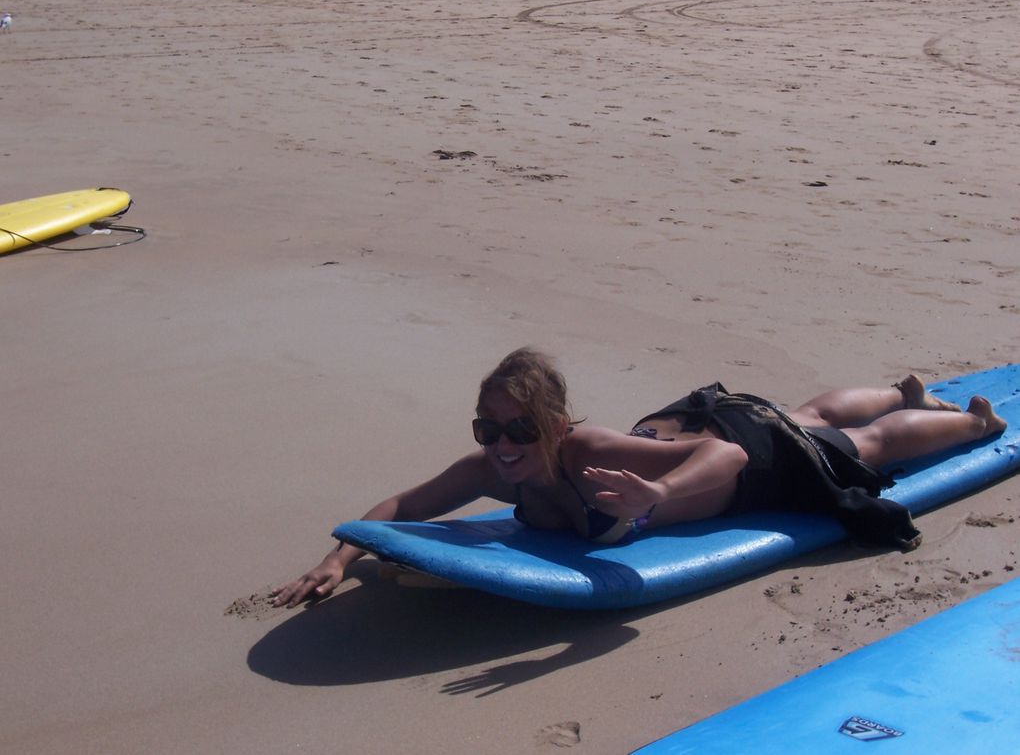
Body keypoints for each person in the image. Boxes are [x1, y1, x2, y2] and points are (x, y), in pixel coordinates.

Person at [272, 348, 1006, 608]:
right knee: (809, 408)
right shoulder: (498, 471)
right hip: (668, 431)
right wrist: (342, 554)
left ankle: (977, 425)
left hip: (739, 462)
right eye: (487, 427)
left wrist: (658, 497)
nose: (501, 445)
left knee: (855, 442)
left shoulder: (590, 453)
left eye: (520, 428)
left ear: (555, 425)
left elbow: (729, 458)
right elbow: (407, 504)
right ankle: (904, 389)